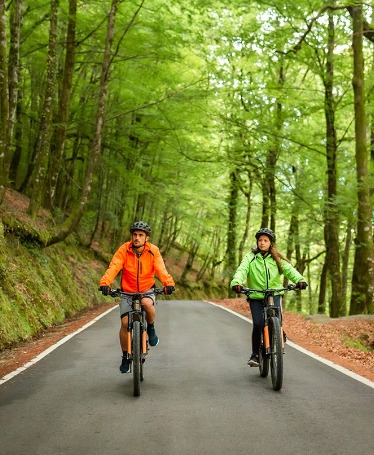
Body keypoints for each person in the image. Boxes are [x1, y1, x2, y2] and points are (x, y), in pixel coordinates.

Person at [99, 221, 175, 373]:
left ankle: (151, 328)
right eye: (135, 235)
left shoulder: (153, 251)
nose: (137, 238)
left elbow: (161, 268)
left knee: (147, 304)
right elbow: (114, 266)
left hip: (147, 290)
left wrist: (168, 283)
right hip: (127, 292)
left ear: (147, 238)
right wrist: (105, 282)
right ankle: (125, 356)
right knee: (125, 323)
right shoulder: (124, 250)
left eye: (141, 235)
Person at [230, 227, 307, 367]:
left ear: (271, 243)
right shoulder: (250, 257)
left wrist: (300, 280)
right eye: (260, 240)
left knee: (277, 317)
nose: (262, 243)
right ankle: (256, 355)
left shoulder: (276, 258)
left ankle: (278, 332)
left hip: (274, 293)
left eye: (265, 240)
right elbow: (242, 270)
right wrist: (236, 283)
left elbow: (290, 270)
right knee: (258, 323)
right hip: (256, 296)